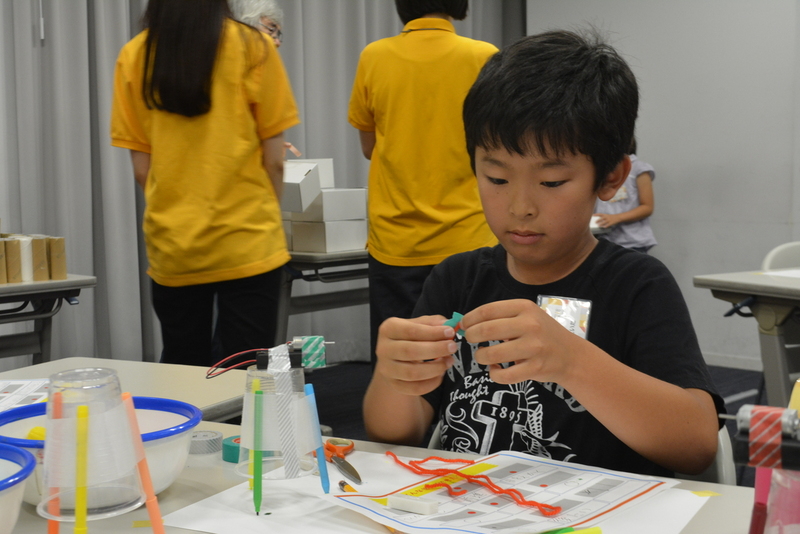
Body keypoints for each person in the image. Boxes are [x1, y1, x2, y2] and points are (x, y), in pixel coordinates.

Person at [363, 29, 724, 478]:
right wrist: (395, 375)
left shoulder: (636, 284)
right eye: (497, 179)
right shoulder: (457, 279)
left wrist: (571, 361)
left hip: (594, 509)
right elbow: (396, 433)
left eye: (551, 182)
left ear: (610, 178)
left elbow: (695, 445)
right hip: (469, 503)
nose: (520, 207)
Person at [110, 0, 299, 366]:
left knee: (184, 369)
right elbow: (275, 160)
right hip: (248, 239)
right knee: (245, 373)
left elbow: (141, 169)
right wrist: (265, 212)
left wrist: (176, 208)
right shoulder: (254, 46)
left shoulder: (135, 55)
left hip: (175, 243)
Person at [348, 0, 498, 365]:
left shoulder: (375, 56)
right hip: (469, 235)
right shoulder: (483, 56)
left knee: (401, 365)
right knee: (476, 363)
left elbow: (369, 147)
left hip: (397, 240)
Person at [593, 139, 657, 253]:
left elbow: (647, 207)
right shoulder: (599, 169)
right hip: (604, 241)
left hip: (633, 242)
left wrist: (616, 218)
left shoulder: (639, 169)